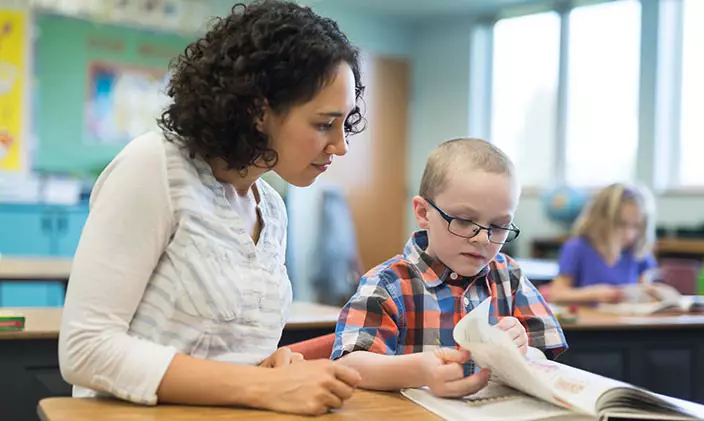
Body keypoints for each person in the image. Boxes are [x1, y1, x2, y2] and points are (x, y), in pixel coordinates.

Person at [58, 1, 365, 415]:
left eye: (345, 124)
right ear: (259, 111)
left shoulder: (270, 207)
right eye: (323, 124)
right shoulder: (155, 168)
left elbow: (225, 361)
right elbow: (86, 350)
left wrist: (269, 367)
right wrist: (260, 384)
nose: (340, 146)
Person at [331, 138, 567, 398]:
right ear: (423, 213)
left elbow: (547, 355)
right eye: (464, 221)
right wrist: (419, 371)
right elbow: (349, 365)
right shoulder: (389, 283)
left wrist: (523, 350)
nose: (482, 238)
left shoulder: (508, 276)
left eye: (499, 226)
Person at [550, 183, 658, 304]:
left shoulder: (637, 253)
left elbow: (646, 286)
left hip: (625, 320)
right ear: (602, 220)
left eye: (636, 226)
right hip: (590, 320)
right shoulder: (577, 247)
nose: (629, 235)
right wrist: (594, 294)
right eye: (621, 224)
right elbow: (556, 294)